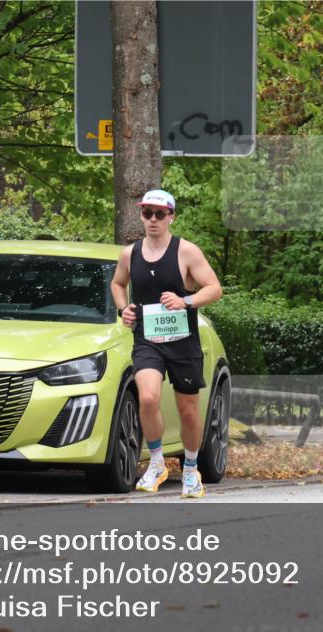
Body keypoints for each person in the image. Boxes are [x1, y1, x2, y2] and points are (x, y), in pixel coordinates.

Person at [111, 189, 223, 498]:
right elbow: (118, 283)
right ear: (141, 215)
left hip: (183, 342)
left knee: (188, 410)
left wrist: (185, 300)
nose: (153, 219)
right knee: (147, 398)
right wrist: (124, 309)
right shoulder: (129, 254)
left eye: (160, 214)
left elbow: (214, 288)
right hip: (148, 340)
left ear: (171, 216)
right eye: (147, 213)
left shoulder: (186, 251)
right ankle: (157, 462)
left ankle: (189, 468)